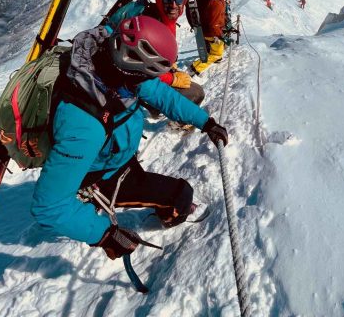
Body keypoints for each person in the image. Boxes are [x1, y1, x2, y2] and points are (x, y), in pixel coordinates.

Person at [31, 15, 229, 261]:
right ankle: (172, 217)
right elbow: (48, 206)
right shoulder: (84, 128)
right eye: (146, 75)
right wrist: (104, 235)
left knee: (146, 179)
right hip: (101, 177)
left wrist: (205, 122)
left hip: (113, 155)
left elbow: (160, 94)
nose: (147, 81)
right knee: (181, 195)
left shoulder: (108, 64)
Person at [141, 0, 204, 106]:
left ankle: (155, 107)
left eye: (179, 0)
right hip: (140, 82)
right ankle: (168, 117)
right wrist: (172, 79)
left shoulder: (167, 19)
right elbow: (141, 69)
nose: (174, 5)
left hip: (156, 73)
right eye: (167, 0)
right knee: (196, 93)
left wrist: (172, 66)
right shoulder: (151, 27)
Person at [191, 0, 233, 75]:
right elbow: (213, 24)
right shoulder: (217, 2)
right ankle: (196, 68)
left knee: (216, 50)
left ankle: (196, 66)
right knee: (216, 54)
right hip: (211, 33)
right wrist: (221, 36)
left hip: (205, 29)